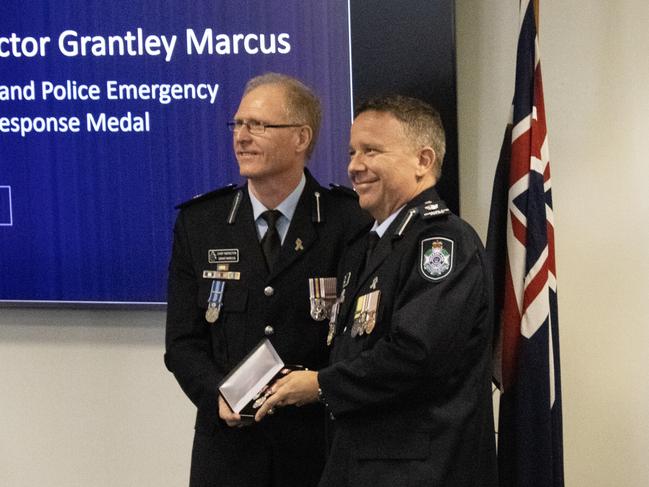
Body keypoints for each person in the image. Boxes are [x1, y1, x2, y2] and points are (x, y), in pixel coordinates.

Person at [255, 95, 498, 486]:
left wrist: (319, 385)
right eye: (352, 152)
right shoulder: (367, 247)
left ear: (423, 161)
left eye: (372, 151)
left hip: (420, 472)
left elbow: (414, 355)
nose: (354, 166)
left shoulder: (441, 243)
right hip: (361, 465)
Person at [164, 73, 369, 487]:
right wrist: (217, 394)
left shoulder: (349, 222)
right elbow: (182, 343)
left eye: (258, 125)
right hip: (227, 453)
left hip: (317, 450)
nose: (241, 136)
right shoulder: (200, 223)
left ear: (300, 137)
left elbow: (362, 340)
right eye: (238, 124)